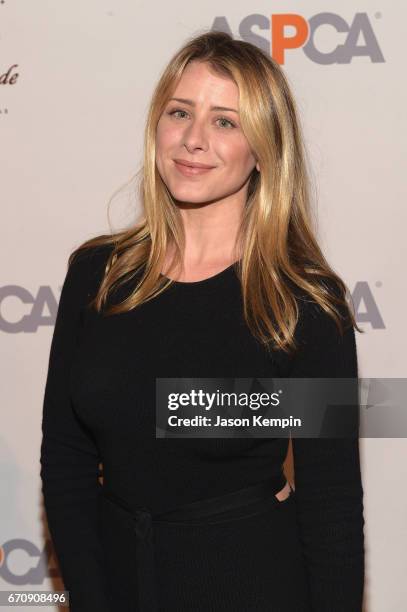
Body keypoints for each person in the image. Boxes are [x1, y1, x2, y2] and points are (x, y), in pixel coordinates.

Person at [40, 31, 365, 612]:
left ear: (264, 148)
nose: (193, 140)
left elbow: (332, 501)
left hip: (252, 587)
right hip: (116, 584)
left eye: (225, 122)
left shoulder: (305, 303)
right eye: (180, 112)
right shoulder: (97, 274)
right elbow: (65, 458)